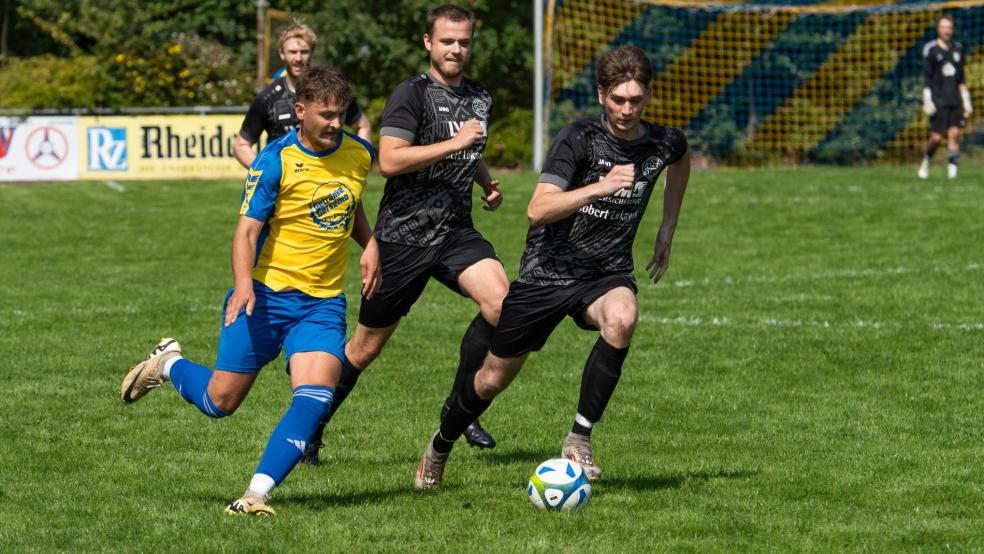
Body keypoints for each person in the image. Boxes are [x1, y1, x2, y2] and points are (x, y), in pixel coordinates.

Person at [413, 44, 691, 489]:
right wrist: (599, 188)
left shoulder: (661, 141)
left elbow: (680, 157)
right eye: (618, 99)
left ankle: (579, 437)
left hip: (605, 272)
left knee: (622, 318)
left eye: (636, 100)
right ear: (601, 95)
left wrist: (667, 228)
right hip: (548, 273)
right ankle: (440, 445)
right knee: (489, 381)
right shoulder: (579, 138)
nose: (626, 109)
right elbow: (538, 209)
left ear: (649, 97)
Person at [120, 66, 379, 516]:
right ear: (300, 111)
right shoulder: (275, 159)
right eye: (326, 115)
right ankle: (168, 363)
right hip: (265, 296)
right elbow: (245, 233)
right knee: (221, 402)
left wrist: (371, 242)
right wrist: (244, 285)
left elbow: (348, 201)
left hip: (321, 303)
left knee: (316, 397)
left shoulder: (358, 154)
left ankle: (255, 494)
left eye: (341, 114)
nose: (336, 124)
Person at [299, 4, 507, 465]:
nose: (457, 49)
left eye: (464, 42)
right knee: (364, 347)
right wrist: (455, 143)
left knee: (501, 306)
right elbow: (390, 160)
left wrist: (485, 181)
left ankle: (461, 409)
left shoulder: (479, 98)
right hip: (403, 237)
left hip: (455, 231)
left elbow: (469, 147)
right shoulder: (410, 94)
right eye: (448, 41)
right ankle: (311, 429)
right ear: (428, 43)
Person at [233, 21, 373, 169]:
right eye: (292, 52)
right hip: (286, 185)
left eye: (304, 51)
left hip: (328, 176)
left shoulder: (334, 91)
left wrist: (361, 163)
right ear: (282, 54)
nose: (298, 58)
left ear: (312, 52)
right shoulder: (267, 98)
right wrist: (266, 173)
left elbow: (363, 126)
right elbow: (241, 145)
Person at [918, 14, 972, 180]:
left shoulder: (959, 49)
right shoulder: (930, 49)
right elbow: (927, 78)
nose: (946, 31)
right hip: (938, 99)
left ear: (952, 29)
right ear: (938, 29)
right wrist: (927, 99)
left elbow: (961, 78)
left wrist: (966, 100)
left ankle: (952, 174)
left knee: (954, 134)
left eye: (949, 27)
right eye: (943, 27)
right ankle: (927, 159)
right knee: (936, 137)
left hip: (954, 99)